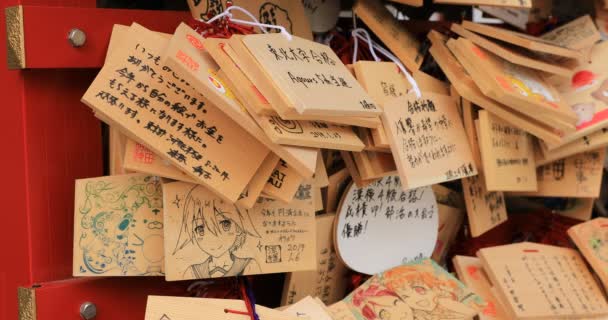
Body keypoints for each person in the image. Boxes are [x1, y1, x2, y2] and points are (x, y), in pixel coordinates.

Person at [173, 185, 261, 279]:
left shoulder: (248, 265)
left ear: (239, 228)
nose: (213, 236)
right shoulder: (193, 271)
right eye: (200, 229)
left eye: (225, 224)